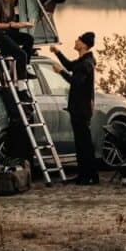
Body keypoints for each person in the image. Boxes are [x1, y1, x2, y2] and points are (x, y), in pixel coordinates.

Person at [51, 32, 98, 185]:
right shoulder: (83, 60)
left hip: (81, 108)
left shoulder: (86, 63)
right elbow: (70, 66)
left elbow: (76, 81)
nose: (76, 41)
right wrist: (58, 53)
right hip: (79, 108)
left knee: (83, 143)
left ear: (84, 45)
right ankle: (88, 174)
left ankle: (87, 176)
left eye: (78, 40)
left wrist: (60, 72)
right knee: (82, 142)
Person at [0, 0, 35, 80]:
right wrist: (10, 25)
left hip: (7, 32)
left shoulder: (10, 2)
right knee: (22, 55)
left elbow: (12, 22)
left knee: (29, 39)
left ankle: (24, 68)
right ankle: (21, 84)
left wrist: (24, 24)